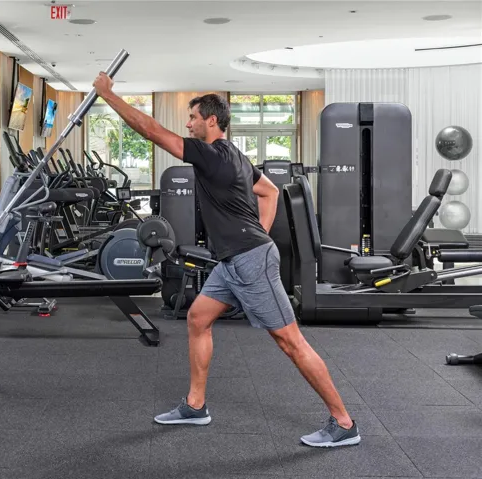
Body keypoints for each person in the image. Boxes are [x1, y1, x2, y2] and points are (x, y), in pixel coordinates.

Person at [92, 74, 360, 448]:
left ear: (212, 120)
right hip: (232, 262)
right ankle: (195, 405)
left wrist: (108, 95)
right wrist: (258, 232)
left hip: (250, 261)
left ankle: (344, 423)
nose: (188, 124)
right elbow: (269, 192)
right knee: (197, 318)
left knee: (290, 341)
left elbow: (152, 131)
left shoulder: (213, 154)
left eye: (193, 117)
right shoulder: (234, 155)